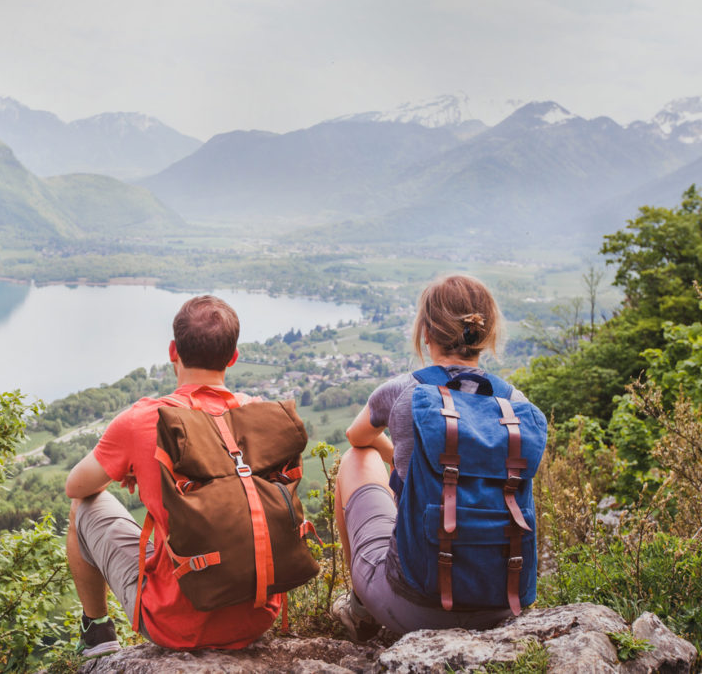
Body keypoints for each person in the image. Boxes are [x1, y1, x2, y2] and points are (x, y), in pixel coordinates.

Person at [65, 295, 280, 656]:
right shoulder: (261, 415)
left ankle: (97, 635)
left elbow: (77, 485)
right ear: (233, 357)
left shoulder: (145, 420)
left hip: (178, 624)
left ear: (172, 351)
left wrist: (135, 465)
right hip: (259, 614)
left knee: (82, 507)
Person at [332, 274, 529, 637]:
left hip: (413, 606)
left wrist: (399, 458)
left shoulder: (403, 391)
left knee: (355, 459)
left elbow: (355, 436)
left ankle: (361, 610)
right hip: (502, 603)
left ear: (426, 333)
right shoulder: (515, 405)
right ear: (486, 335)